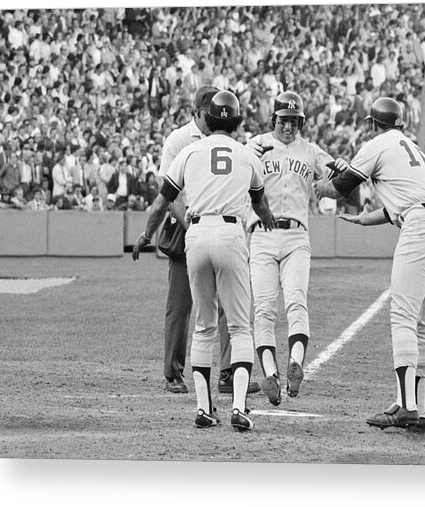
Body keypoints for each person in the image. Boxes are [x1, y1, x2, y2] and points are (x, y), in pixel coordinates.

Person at [133, 91, 276, 431]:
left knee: (203, 325)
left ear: (207, 119)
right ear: (238, 122)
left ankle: (203, 408)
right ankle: (239, 407)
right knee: (240, 325)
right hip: (230, 233)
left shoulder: (189, 151)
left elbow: (160, 203)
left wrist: (145, 236)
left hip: (195, 234)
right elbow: (260, 203)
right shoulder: (246, 155)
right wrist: (269, 220)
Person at [314, 97, 425, 435]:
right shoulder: (412, 148)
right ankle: (417, 409)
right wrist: (366, 220)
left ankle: (406, 407)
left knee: (403, 316)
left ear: (374, 123)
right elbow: (406, 201)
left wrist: (321, 184)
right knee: (422, 321)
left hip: (420, 226)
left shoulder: (377, 143)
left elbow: (336, 190)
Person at [153, 85, 260, 396]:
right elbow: (168, 193)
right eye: (206, 113)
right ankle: (173, 372)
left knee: (229, 306)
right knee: (181, 305)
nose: (210, 118)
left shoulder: (223, 140)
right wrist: (192, 222)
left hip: (208, 228)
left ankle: (228, 372)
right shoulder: (179, 141)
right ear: (196, 113)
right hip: (186, 226)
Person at [246, 91, 334, 406]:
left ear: (300, 123)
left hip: (296, 236)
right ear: (275, 119)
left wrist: (336, 180)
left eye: (294, 121)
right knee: (264, 308)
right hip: (262, 234)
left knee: (296, 301)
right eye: (284, 120)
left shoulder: (310, 150)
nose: (289, 127)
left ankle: (295, 363)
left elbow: (338, 174)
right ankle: (270, 374)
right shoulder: (255, 146)